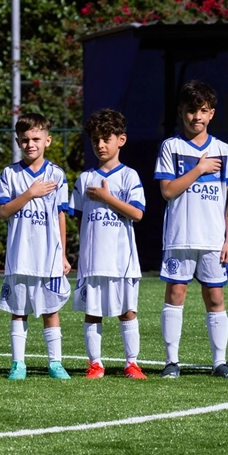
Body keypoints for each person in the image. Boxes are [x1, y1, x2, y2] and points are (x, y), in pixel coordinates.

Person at [155, 81, 228, 380]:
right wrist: (199, 169)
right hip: (180, 236)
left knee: (215, 297)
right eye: (191, 110)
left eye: (203, 111)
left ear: (212, 113)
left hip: (213, 238)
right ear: (181, 112)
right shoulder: (172, 147)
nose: (197, 117)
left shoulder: (224, 150)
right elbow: (167, 191)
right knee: (175, 293)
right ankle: (171, 362)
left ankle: (220, 362)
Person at [70, 109, 147, 379]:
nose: (100, 145)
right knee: (93, 313)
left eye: (106, 139)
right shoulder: (84, 179)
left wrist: (106, 197)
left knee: (127, 312)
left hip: (122, 258)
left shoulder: (129, 176)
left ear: (121, 140)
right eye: (95, 141)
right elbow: (80, 219)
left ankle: (132, 363)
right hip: (93, 260)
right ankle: (95, 364)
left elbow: (137, 213)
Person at [0, 112, 71, 380]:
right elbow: (4, 212)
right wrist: (29, 194)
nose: (31, 144)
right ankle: (18, 364)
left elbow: (60, 214)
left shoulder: (57, 174)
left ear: (47, 140)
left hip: (48, 255)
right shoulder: (10, 174)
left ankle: (55, 363)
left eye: (36, 139)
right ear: (18, 142)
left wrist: (62, 253)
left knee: (51, 310)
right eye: (25, 140)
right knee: (19, 310)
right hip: (20, 255)